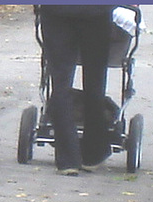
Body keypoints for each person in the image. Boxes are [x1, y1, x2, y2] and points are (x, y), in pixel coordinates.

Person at [39, 5, 114, 176]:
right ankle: (93, 154)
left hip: (56, 13)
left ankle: (67, 160)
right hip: (96, 13)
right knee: (95, 82)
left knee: (60, 83)